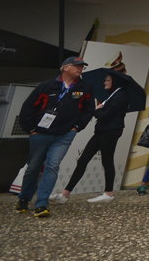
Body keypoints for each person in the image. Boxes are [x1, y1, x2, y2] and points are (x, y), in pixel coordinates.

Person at [16, 56, 94, 217]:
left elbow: (88, 110)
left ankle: (42, 204)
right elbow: (28, 107)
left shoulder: (85, 88)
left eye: (82, 67)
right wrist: (31, 129)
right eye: (77, 66)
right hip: (40, 133)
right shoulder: (46, 86)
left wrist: (76, 127)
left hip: (64, 135)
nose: (80, 69)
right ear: (65, 68)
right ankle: (24, 198)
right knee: (33, 168)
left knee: (52, 166)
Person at [52, 73, 130, 204]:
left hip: (110, 132)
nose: (105, 82)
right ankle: (65, 194)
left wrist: (97, 109)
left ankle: (108, 193)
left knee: (107, 161)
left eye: (108, 80)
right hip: (101, 131)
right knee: (82, 160)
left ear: (115, 82)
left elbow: (104, 115)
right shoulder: (112, 95)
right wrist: (99, 108)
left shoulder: (121, 95)